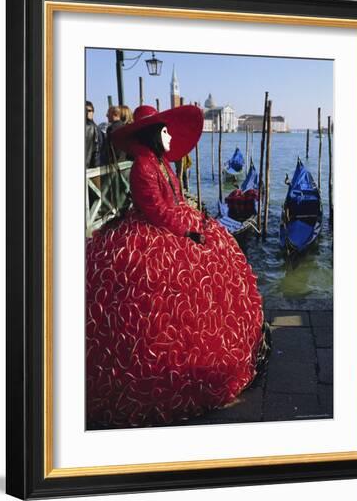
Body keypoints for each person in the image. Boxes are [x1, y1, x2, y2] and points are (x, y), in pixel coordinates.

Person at [86, 104, 265, 428]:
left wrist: (193, 221)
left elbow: (174, 202)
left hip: (174, 222)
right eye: (165, 131)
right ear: (154, 134)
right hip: (155, 231)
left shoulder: (161, 162)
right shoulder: (143, 165)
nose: (170, 136)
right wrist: (187, 231)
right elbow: (155, 210)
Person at [85, 101, 105, 168]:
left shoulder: (96, 129)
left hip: (92, 169)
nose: (87, 113)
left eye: (89, 110)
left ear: (93, 112)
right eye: (85, 110)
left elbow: (98, 151)